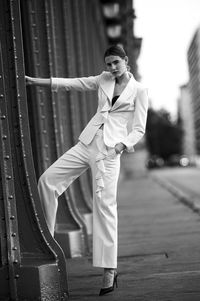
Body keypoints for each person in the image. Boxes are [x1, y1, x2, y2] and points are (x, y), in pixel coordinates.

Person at [25, 44, 148, 296]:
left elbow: (139, 128)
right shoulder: (103, 79)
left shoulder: (140, 90)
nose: (111, 68)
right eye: (108, 64)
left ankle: (108, 269)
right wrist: (35, 81)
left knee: (104, 207)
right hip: (87, 143)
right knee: (47, 181)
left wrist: (122, 146)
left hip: (109, 152)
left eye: (115, 62)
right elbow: (74, 83)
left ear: (126, 60)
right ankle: (48, 242)